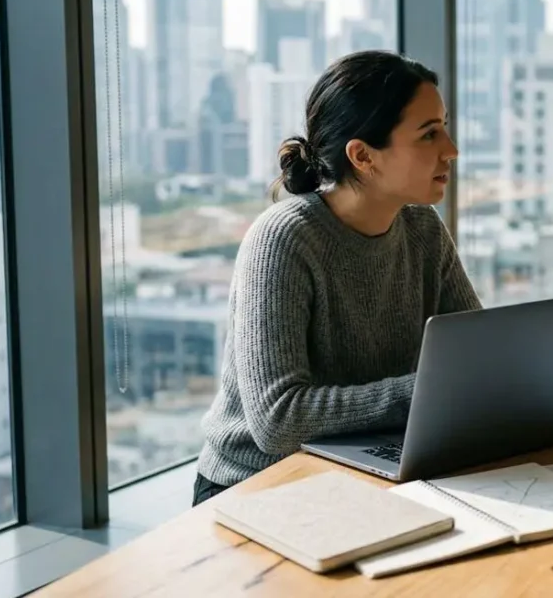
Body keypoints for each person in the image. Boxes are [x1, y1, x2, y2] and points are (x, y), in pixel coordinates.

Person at [193, 51, 480, 505]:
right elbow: (278, 421)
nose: (451, 149)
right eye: (429, 134)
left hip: (362, 468)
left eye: (443, 127)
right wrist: (427, 392)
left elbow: (475, 360)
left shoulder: (423, 230)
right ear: (363, 155)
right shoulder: (284, 239)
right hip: (257, 484)